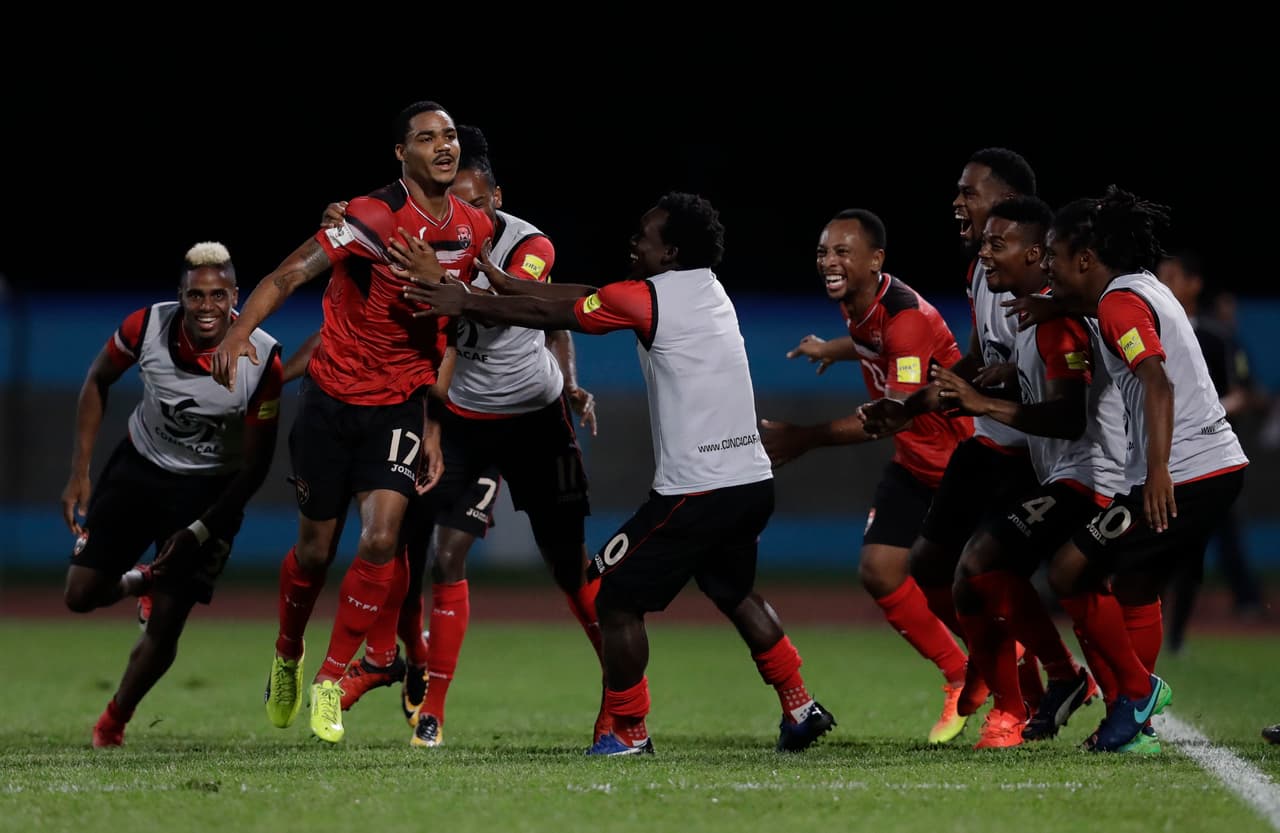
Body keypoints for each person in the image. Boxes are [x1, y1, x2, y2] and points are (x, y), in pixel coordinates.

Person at [400, 192, 836, 756]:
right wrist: (505, 284)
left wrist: (464, 301)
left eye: (644, 236)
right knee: (734, 591)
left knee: (609, 595)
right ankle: (800, 707)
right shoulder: (706, 288)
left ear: (670, 252)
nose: (633, 242)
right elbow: (585, 296)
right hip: (750, 482)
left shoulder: (648, 300)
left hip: (696, 490)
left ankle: (629, 732)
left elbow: (550, 316)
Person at [313, 124, 607, 749]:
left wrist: (571, 382)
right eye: (455, 204)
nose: (464, 216)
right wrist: (350, 224)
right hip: (464, 418)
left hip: (535, 418)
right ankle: (430, 706)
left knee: (568, 563)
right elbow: (406, 320)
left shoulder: (532, 244)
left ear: (495, 198)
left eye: (476, 203)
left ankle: (620, 690)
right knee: (428, 552)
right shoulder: (424, 240)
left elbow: (536, 307)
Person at [211, 100, 491, 744]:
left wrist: (436, 425)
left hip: (397, 406)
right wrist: (238, 335)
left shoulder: (475, 228)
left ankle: (331, 681)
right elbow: (289, 273)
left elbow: (465, 324)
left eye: (449, 136)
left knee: (381, 537)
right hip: (332, 403)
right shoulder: (370, 217)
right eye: (426, 137)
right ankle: (288, 654)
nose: (442, 146)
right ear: (402, 153)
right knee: (313, 551)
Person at [1034, 185, 1248, 752]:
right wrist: (1056, 304)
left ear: (1085, 259)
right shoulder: (1140, 286)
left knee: (1069, 573)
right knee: (1133, 586)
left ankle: (1136, 691)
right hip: (1211, 466)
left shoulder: (1117, 304)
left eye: (1053, 257)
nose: (1047, 267)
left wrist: (1156, 472)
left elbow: (1157, 379)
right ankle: (1132, 725)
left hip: (1183, 472)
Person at [758, 208, 972, 744]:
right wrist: (831, 348)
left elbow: (890, 414)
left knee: (975, 588)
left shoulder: (905, 317)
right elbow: (873, 344)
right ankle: (961, 674)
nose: (829, 262)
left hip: (959, 467)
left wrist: (802, 438)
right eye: (823, 252)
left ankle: (1040, 680)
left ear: (876, 260)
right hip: (915, 464)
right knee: (880, 571)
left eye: (842, 252)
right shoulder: (864, 304)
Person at [60, 241, 283, 747]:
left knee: (167, 623)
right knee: (79, 596)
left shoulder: (263, 359)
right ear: (180, 296)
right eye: (196, 295)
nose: (207, 307)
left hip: (209, 491)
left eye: (218, 295)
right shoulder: (144, 328)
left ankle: (113, 721)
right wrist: (80, 472)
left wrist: (202, 529)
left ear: (236, 298)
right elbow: (97, 380)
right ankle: (142, 580)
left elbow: (255, 466)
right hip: (139, 469)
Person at [857, 148, 1046, 738]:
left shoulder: (1047, 280)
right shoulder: (981, 274)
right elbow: (980, 352)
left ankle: (1026, 702)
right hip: (986, 444)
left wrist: (982, 385)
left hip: (1039, 453)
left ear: (1009, 203)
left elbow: (1052, 374)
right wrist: (927, 396)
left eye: (970, 191)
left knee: (1000, 575)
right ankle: (1011, 675)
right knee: (932, 564)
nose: (958, 202)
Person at [927, 196, 1125, 748]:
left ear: (1038, 254)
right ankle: (1079, 685)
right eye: (984, 243)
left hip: (1089, 476)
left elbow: (1066, 415)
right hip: (1065, 474)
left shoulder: (1053, 321)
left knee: (981, 566)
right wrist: (1005, 376)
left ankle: (1100, 693)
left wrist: (980, 403)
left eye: (998, 244)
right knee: (992, 576)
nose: (985, 254)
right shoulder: (1033, 315)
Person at [1156, 251, 1265, 650]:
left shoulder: (1216, 337)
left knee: (1202, 544)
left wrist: (1209, 412)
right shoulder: (1148, 332)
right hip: (1158, 457)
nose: (1162, 282)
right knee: (1156, 548)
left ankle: (1183, 635)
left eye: (1171, 275)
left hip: (1208, 458)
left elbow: (1243, 394)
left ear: (1193, 283)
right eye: (1159, 275)